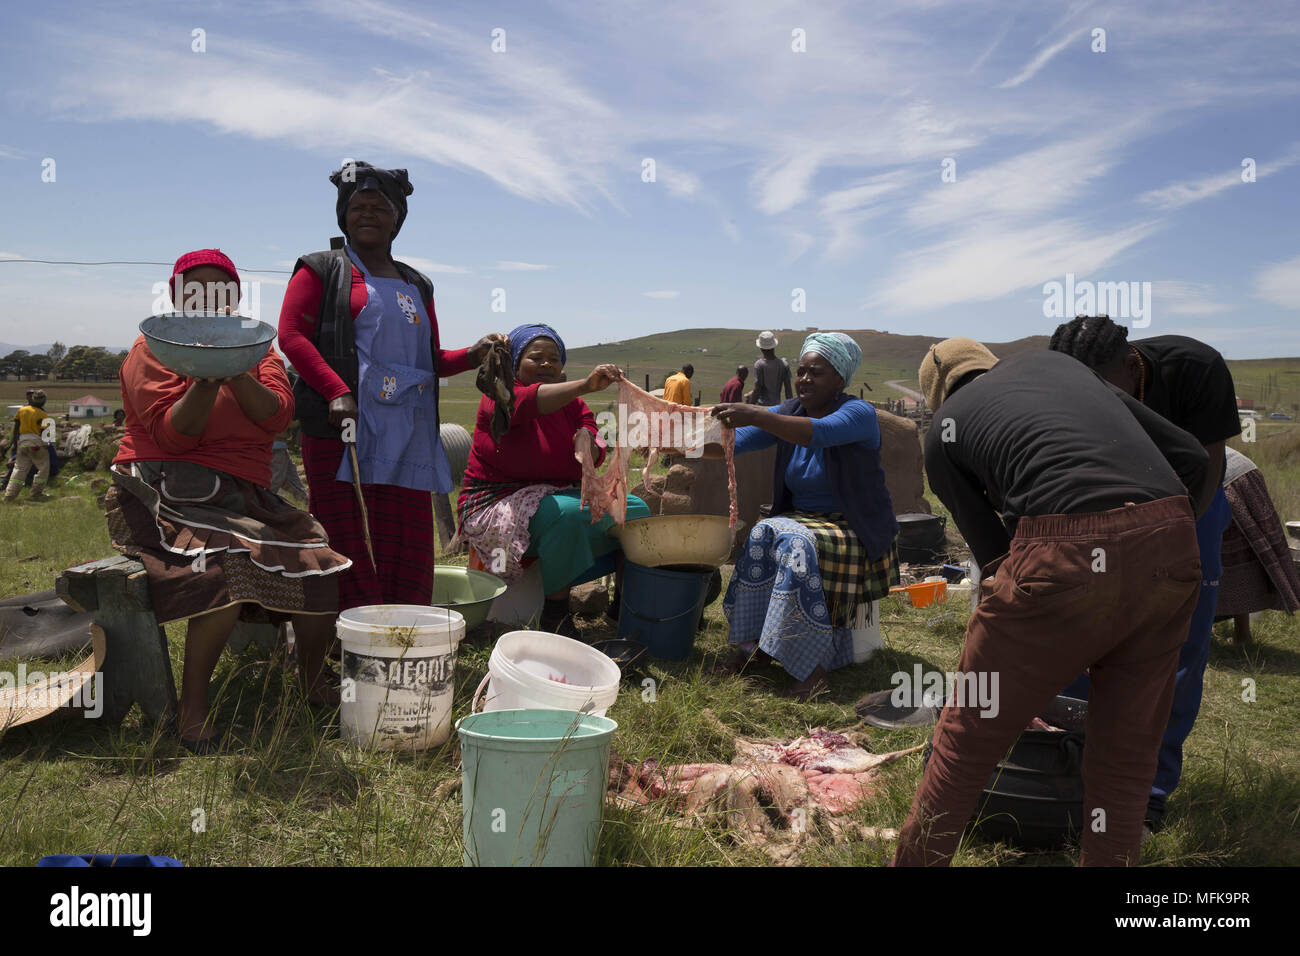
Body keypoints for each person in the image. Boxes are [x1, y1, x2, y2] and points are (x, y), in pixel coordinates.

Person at [893, 339, 1210, 867]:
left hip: (1061, 551)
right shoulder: (1058, 365)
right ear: (989, 364)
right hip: (1171, 545)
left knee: (965, 742)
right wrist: (1150, 542)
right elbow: (1194, 458)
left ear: (936, 394)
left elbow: (996, 560)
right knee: (1125, 760)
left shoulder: (946, 430)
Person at [107, 249, 351, 753]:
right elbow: (175, 438)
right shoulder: (151, 350)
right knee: (222, 567)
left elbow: (277, 417)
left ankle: (310, 679)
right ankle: (192, 709)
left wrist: (234, 366)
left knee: (320, 561)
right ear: (176, 296)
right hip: (165, 489)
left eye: (221, 289)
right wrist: (202, 376)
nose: (208, 298)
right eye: (194, 288)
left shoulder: (260, 351)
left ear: (234, 298)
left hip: (243, 495)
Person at [277, 162, 505, 611]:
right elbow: (291, 336)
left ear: (397, 217)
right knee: (349, 542)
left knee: (406, 544)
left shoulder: (415, 283)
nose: (369, 214)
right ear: (343, 213)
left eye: (380, 207)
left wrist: (475, 354)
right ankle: (352, 643)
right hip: (345, 433)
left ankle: (405, 633)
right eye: (358, 205)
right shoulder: (322, 269)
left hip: (408, 434)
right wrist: (335, 390)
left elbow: (431, 361)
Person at [1049, 316, 1239, 832]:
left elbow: (1209, 464)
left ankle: (1148, 793)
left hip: (1190, 499)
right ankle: (1071, 770)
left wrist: (1174, 548)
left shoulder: (1195, 368)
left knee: (1178, 646)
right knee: (1077, 634)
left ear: (1132, 366)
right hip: (1107, 498)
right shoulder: (1067, 378)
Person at [708, 332, 899, 700]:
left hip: (853, 526)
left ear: (840, 380)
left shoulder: (857, 414)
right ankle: (754, 649)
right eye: (802, 372)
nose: (805, 379)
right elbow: (737, 441)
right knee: (762, 532)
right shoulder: (791, 410)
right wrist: (685, 445)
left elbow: (819, 434)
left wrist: (756, 414)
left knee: (796, 543)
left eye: (818, 373)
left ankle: (813, 671)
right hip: (803, 519)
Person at [457, 324, 651, 635]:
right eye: (536, 357)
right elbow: (526, 403)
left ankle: (624, 605)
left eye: (554, 358)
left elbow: (593, 435)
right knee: (567, 515)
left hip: (559, 494)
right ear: (516, 363)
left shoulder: (572, 404)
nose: (547, 363)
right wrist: (585, 385)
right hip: (499, 499)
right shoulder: (501, 397)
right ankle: (556, 615)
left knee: (637, 509)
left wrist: (589, 443)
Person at [1215, 446, 1300, 643]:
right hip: (1244, 472)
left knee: (1233, 558)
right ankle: (1242, 634)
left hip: (1229, 481)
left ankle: (1241, 635)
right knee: (1241, 558)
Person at [5, 388, 51, 501]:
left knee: (19, 469)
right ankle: (36, 493)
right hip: (36, 443)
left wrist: (15, 444)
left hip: (22, 442)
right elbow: (44, 433)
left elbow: (16, 428)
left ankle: (9, 495)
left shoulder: (22, 410)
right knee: (44, 468)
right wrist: (46, 445)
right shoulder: (43, 415)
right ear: (44, 401)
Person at [269, 422, 309, 503]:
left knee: (291, 474)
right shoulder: (276, 411)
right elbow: (289, 423)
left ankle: (304, 499)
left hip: (279, 445)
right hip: (276, 445)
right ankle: (265, 500)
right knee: (277, 478)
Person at [752, 331, 792, 405]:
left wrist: (750, 405)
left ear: (761, 348)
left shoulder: (759, 365)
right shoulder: (784, 364)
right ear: (773, 346)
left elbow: (757, 389)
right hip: (776, 405)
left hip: (762, 406)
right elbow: (788, 390)